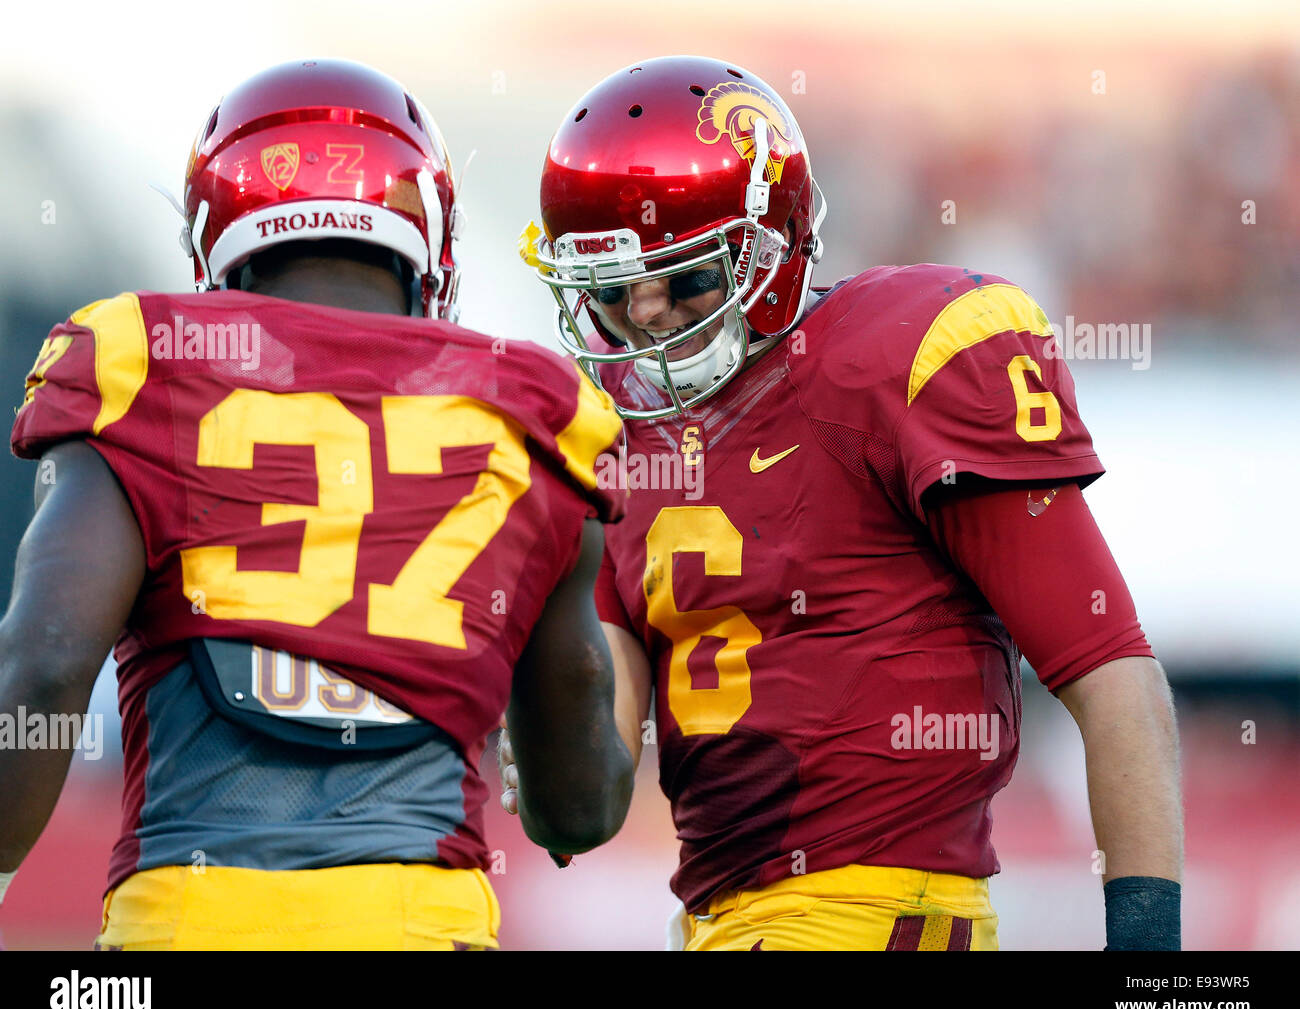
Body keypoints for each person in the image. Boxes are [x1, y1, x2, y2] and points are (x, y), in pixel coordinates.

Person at [503, 55, 1182, 950]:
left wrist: (1152, 961)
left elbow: (1110, 669)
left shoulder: (898, 355)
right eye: (612, 291)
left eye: (687, 277)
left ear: (771, 240)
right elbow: (587, 807)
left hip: (874, 916)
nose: (649, 314)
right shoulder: (611, 444)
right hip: (716, 925)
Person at [0, 58, 634, 951]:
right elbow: (575, 808)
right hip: (420, 925)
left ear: (218, 240)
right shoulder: (533, 414)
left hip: (191, 923)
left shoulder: (142, 363)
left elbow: (45, 663)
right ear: (429, 243)